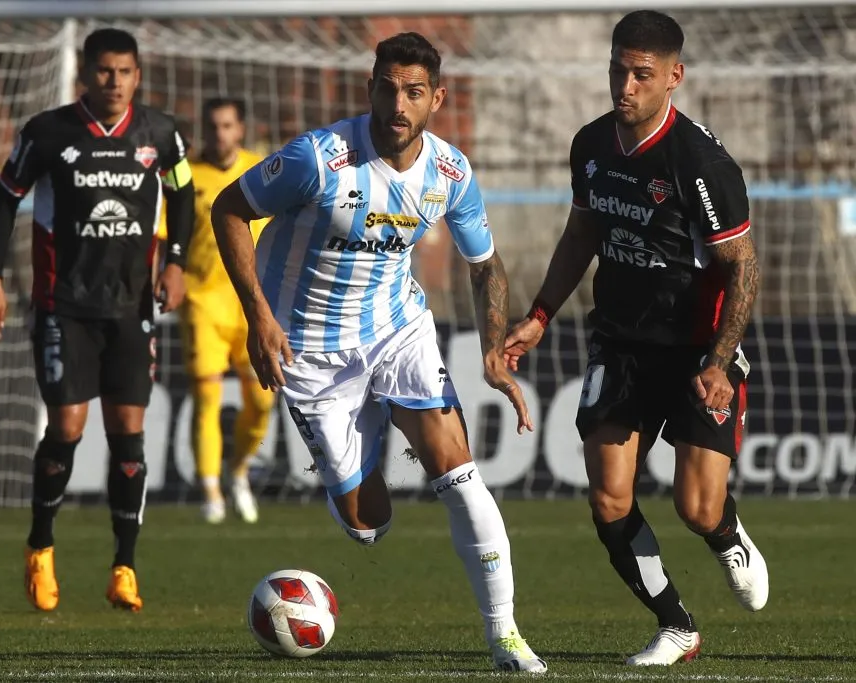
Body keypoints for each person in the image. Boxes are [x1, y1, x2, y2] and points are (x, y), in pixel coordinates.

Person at [210, 32, 547, 673]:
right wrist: (258, 317)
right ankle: (365, 445)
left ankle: (504, 635)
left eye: (414, 92)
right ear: (370, 89)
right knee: (369, 524)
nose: (399, 103)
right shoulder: (320, 158)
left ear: (436, 99)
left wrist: (494, 353)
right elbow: (228, 209)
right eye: (388, 88)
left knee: (459, 473)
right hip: (308, 353)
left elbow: (485, 267)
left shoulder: (450, 173)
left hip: (396, 331)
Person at [505, 10, 768, 666]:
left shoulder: (701, 163)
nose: (625, 85)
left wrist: (716, 361)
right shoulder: (592, 146)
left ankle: (726, 532)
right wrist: (539, 313)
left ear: (674, 78)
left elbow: (744, 266)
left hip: (696, 345)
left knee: (696, 506)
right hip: (621, 339)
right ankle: (677, 624)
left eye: (641, 75)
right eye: (618, 70)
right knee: (607, 495)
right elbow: (582, 235)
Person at [0, 27, 194, 613]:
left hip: (131, 307)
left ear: (138, 75)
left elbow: (183, 197)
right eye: (104, 71)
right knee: (68, 429)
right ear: (84, 73)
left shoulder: (161, 135)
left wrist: (176, 262)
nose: (114, 82)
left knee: (128, 440)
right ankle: (40, 547)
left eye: (125, 71)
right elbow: (5, 199)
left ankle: (124, 566)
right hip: (62, 306)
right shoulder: (48, 134)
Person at [156, 98, 274, 524]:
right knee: (206, 397)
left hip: (255, 305)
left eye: (227, 126)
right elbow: (165, 233)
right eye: (213, 126)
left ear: (240, 130)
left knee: (261, 402)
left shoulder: (264, 169)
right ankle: (211, 494)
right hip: (203, 303)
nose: (220, 134)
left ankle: (238, 472)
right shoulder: (186, 173)